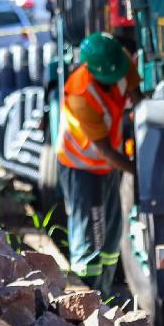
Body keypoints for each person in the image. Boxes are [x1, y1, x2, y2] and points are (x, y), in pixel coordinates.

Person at [55, 32, 138, 294]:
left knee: (112, 235)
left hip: (107, 166)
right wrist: (142, 172)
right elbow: (106, 151)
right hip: (81, 167)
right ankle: (87, 295)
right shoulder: (80, 94)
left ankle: (107, 291)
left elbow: (139, 99)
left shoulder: (120, 61)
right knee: (91, 235)